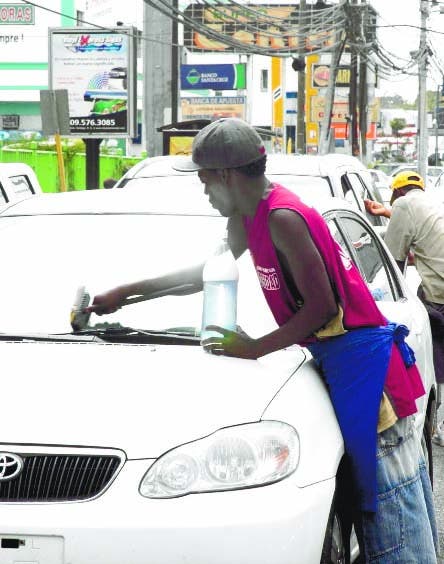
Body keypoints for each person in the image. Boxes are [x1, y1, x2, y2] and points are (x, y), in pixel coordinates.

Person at [88, 119, 438, 563]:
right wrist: (125, 294)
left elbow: (323, 308)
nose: (204, 192)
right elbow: (205, 273)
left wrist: (253, 347)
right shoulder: (246, 218)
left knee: (394, 518)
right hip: (344, 367)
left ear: (228, 176)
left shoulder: (283, 217)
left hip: (369, 376)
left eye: (205, 181)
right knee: (380, 512)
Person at [365, 170, 444, 447]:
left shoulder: (402, 204)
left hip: (439, 296)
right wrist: (387, 214)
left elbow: (394, 262)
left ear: (398, 192)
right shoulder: (430, 201)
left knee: (434, 352)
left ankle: (438, 420)